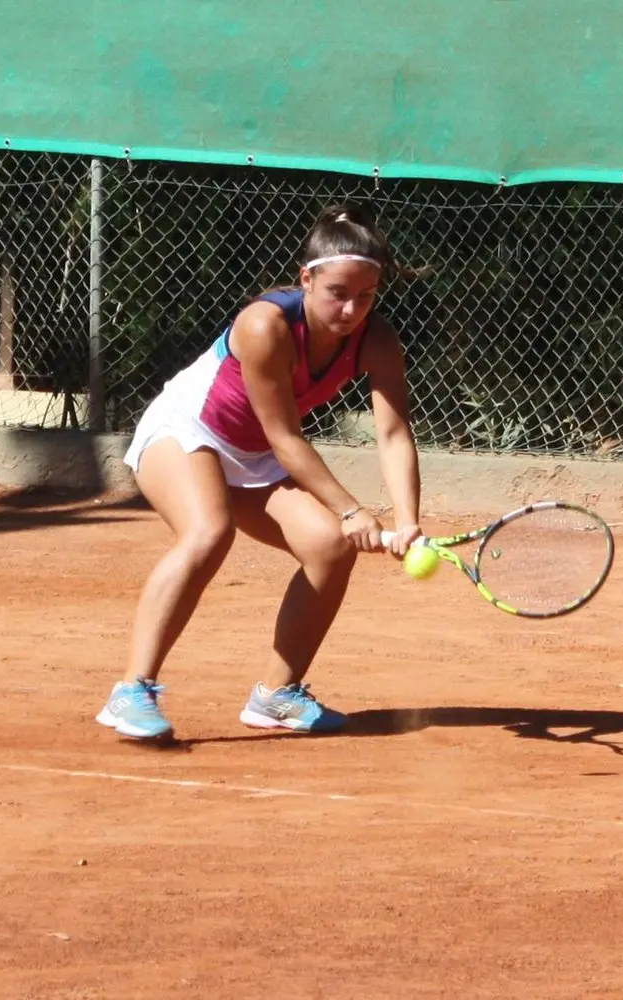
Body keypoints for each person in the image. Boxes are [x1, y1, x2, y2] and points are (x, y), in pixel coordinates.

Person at [97, 202, 423, 741]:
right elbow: (285, 437)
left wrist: (407, 519)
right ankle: (132, 689)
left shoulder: (378, 339)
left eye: (365, 296)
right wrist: (352, 509)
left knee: (329, 548)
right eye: (337, 293)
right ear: (307, 279)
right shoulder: (264, 323)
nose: (351, 310)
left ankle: (276, 695)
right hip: (187, 432)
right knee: (208, 532)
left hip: (255, 455)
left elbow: (392, 433)